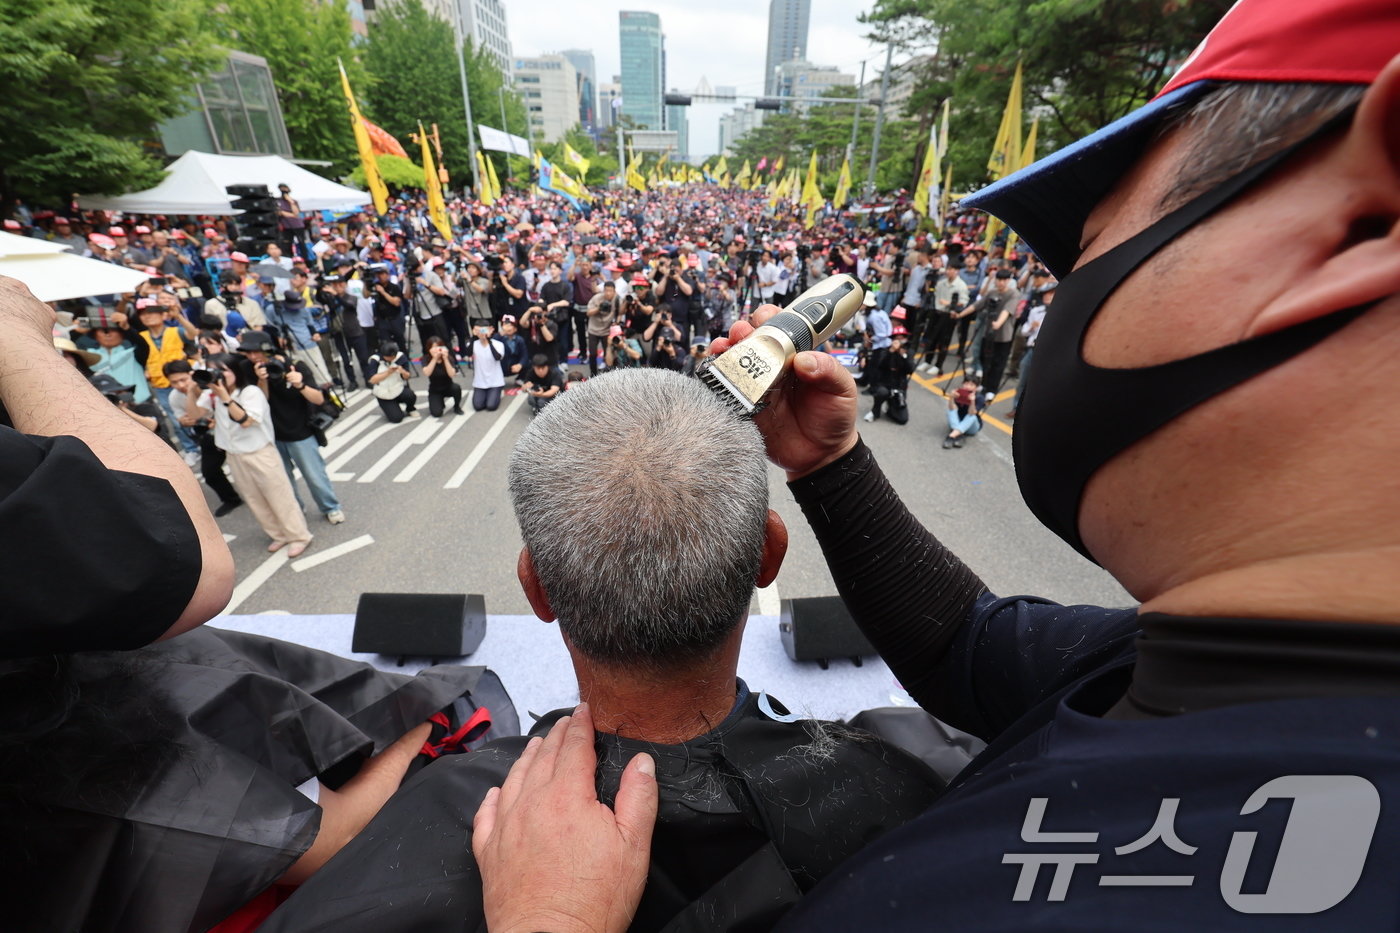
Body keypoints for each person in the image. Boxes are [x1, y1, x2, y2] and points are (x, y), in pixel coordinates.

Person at [466, 4, 1400, 931]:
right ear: (768, 552)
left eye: (1088, 237)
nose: (1061, 290)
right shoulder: (1203, 668)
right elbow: (969, 644)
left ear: (1371, 213)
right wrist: (831, 465)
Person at [256, 369, 942, 933]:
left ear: (536, 588)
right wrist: (838, 464)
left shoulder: (454, 807)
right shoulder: (926, 788)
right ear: (770, 554)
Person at [198, 354, 313, 556]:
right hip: (234, 454)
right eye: (212, 370)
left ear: (235, 370)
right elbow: (194, 414)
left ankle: (298, 536)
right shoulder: (212, 394)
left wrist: (225, 397)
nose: (219, 375)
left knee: (279, 496)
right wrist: (194, 387)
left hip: (260, 452)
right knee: (255, 499)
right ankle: (279, 535)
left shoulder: (250, 392)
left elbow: (246, 421)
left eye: (223, 369)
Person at [238, 330, 345, 525]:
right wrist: (262, 379)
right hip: (271, 435)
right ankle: (296, 509)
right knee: (283, 479)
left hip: (301, 432)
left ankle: (331, 507)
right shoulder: (247, 368)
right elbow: (260, 403)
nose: (253, 357)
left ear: (268, 350)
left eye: (256, 352)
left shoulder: (295, 366)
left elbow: (319, 399)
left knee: (314, 475)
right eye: (248, 352)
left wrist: (300, 385)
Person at [165, 359, 243, 514]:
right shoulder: (174, 397)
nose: (180, 385)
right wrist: (184, 420)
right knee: (209, 472)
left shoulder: (209, 384)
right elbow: (185, 418)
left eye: (183, 380)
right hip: (208, 434)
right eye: (174, 382)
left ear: (192, 374)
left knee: (244, 468)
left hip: (232, 431)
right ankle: (231, 499)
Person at [862, 333, 913, 425]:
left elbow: (910, 370)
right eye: (897, 339)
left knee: (902, 419)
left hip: (898, 388)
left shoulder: (908, 352)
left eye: (902, 338)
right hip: (884, 385)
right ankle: (875, 411)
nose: (899, 341)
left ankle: (891, 408)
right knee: (882, 392)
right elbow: (880, 365)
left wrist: (904, 357)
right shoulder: (886, 350)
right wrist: (891, 352)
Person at [366, 338, 417, 423]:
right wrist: (388, 372)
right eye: (389, 357)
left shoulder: (401, 357)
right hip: (383, 392)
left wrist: (402, 371)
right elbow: (372, 380)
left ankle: (410, 408)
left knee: (410, 395)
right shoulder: (375, 360)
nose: (391, 359)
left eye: (393, 357)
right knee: (396, 418)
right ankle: (393, 408)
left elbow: (407, 376)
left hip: (398, 388)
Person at [585, 280, 622, 376]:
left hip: (607, 331)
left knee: (608, 354)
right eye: (606, 290)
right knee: (593, 354)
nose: (608, 293)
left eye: (610, 291)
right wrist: (599, 308)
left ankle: (609, 375)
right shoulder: (596, 298)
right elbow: (588, 313)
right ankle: (593, 375)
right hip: (593, 329)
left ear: (614, 291)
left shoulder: (617, 299)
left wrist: (617, 323)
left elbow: (621, 313)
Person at [422, 334, 465, 417]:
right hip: (435, 389)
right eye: (433, 348)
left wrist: (445, 359)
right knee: (436, 413)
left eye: (437, 347)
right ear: (429, 349)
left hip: (448, 386)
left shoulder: (448, 358)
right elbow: (427, 373)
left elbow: (452, 374)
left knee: (456, 388)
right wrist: (434, 359)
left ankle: (457, 406)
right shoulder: (426, 358)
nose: (435, 350)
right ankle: (439, 401)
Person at [469, 320, 506, 411]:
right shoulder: (473, 344)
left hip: (495, 382)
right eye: (478, 330)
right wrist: (473, 336)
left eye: (483, 330)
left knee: (491, 406)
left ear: (490, 330)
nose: (481, 333)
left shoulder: (498, 344)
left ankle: (496, 393)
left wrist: (488, 340)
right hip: (479, 382)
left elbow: (497, 357)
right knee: (478, 406)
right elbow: (468, 353)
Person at [941, 375, 983, 448]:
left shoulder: (980, 398)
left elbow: (972, 413)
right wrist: (951, 397)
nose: (967, 386)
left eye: (971, 385)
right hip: (957, 422)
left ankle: (951, 436)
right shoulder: (958, 393)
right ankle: (959, 436)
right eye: (966, 384)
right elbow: (952, 408)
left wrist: (972, 401)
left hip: (971, 427)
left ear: (976, 388)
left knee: (972, 417)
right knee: (950, 411)